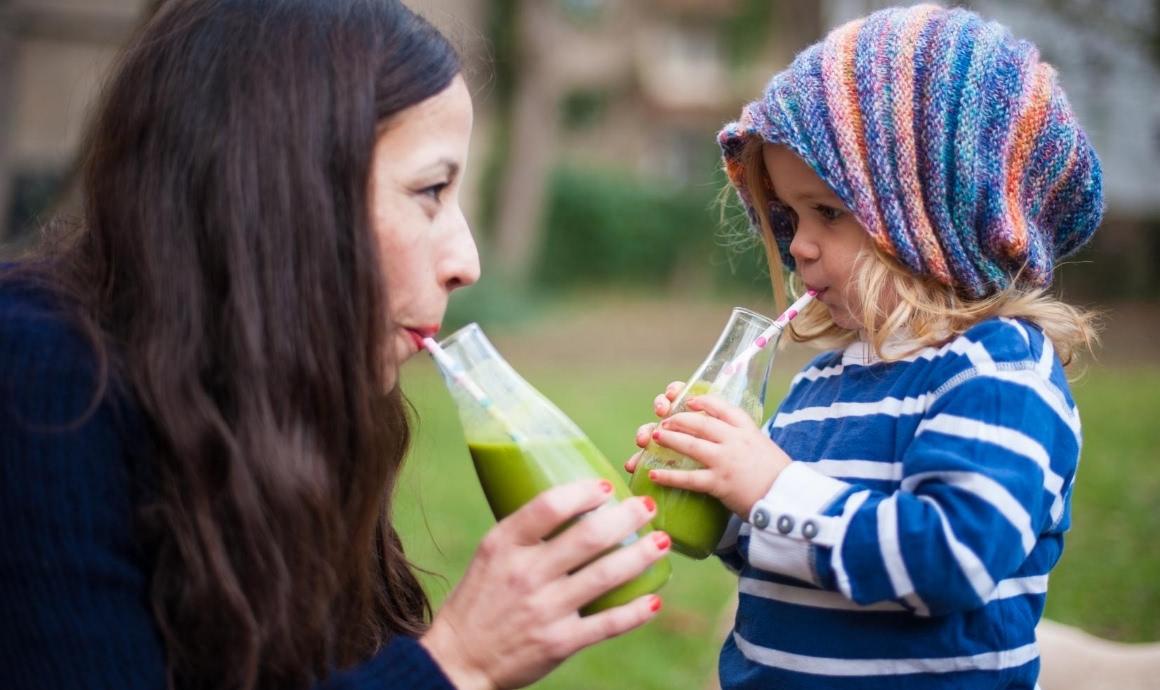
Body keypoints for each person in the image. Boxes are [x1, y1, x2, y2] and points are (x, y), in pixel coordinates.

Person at [0, 2, 669, 690]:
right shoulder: (38, 379)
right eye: (431, 189)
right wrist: (457, 664)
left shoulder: (281, 395)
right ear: (280, 189)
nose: (467, 261)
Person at [626, 4, 1103, 689]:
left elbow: (953, 558)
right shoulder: (823, 384)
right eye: (787, 217)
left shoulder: (998, 372)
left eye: (828, 212)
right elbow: (799, 544)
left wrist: (771, 485)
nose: (798, 245)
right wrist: (717, 493)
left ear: (938, 217)